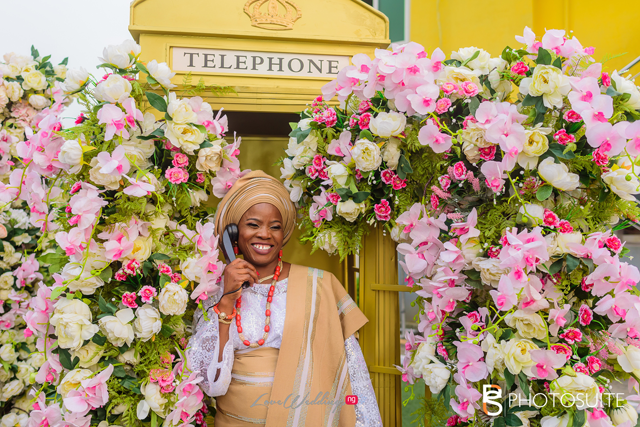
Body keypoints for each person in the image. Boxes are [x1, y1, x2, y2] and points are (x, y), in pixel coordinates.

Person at [187, 170, 382, 427]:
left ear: (284, 233)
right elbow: (209, 384)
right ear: (232, 233)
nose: (265, 234)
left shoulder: (320, 285)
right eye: (253, 224)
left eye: (275, 227)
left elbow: (352, 372)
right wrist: (226, 301)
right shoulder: (214, 290)